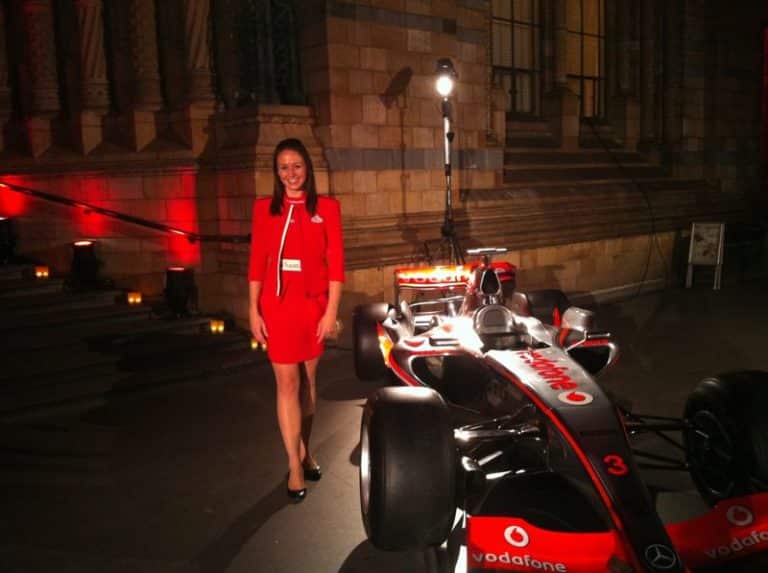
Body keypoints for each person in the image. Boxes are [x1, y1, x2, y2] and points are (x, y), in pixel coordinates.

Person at [248, 138, 344, 502]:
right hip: (278, 306)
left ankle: (305, 449)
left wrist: (332, 311)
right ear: (276, 173)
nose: (291, 173)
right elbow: (257, 262)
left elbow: (335, 265)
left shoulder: (328, 209)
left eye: (297, 166)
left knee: (308, 382)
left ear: (308, 168)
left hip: (313, 306)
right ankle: (293, 464)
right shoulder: (264, 210)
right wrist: (253, 308)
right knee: (286, 384)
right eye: (283, 167)